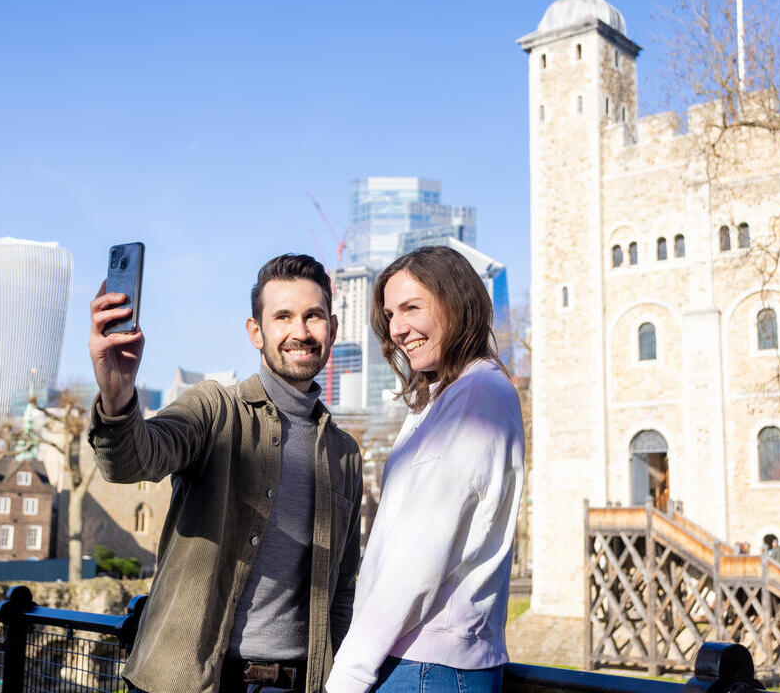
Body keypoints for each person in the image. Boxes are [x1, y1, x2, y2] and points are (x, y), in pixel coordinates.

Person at [88, 254, 363, 693]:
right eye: (283, 316)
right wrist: (117, 396)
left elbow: (343, 588)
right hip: (184, 681)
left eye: (313, 316)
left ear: (333, 327)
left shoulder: (344, 454)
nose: (300, 332)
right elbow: (131, 462)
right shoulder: (214, 409)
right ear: (256, 331)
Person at [326, 246, 525, 693]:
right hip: (423, 660)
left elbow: (418, 554)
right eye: (390, 314)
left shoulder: (475, 397)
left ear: (456, 303)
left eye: (412, 307)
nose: (397, 328)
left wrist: (350, 673)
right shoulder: (448, 396)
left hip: (426, 667)